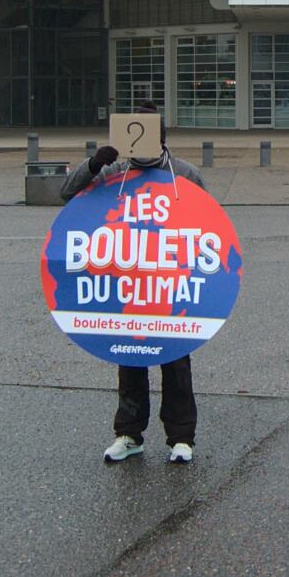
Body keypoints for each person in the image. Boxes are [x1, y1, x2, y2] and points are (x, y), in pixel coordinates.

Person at [59, 101, 204, 465]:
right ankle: (128, 434)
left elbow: (208, 228)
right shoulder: (114, 173)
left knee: (176, 363)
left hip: (171, 286)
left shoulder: (183, 174)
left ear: (160, 137)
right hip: (127, 285)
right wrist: (95, 163)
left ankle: (181, 438)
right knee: (129, 359)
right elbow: (67, 193)